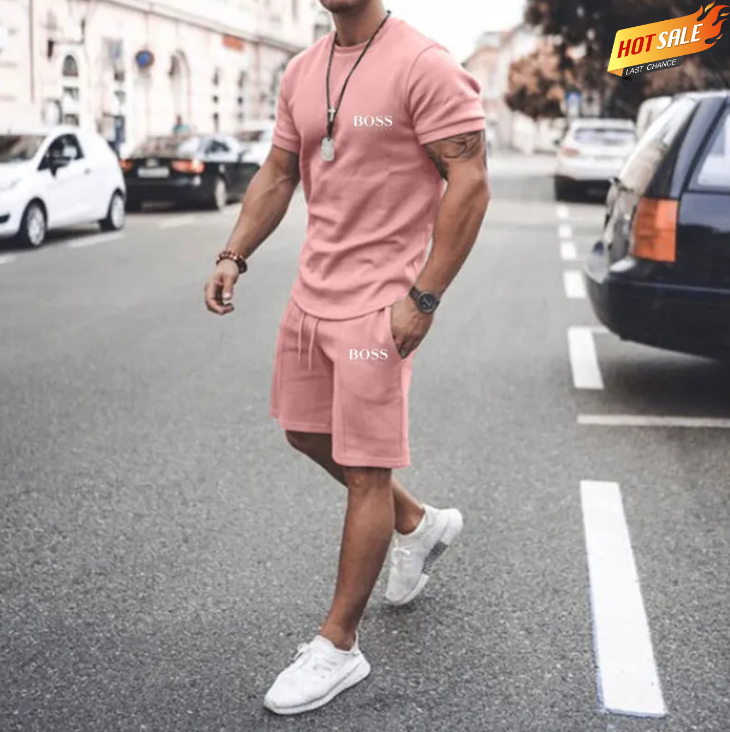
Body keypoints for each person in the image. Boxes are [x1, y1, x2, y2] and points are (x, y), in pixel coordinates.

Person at [204, 0, 490, 716]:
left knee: (366, 469)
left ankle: (339, 645)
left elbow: (470, 182)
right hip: (311, 296)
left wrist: (423, 298)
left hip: (379, 304)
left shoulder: (425, 65)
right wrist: (234, 253)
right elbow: (278, 171)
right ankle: (417, 523)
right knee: (305, 433)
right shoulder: (302, 69)